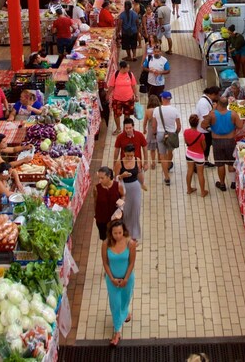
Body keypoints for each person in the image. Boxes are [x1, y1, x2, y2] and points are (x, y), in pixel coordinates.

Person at [102, 219, 137, 347]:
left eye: (120, 232)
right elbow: (105, 263)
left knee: (125, 299)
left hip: (127, 279)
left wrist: (126, 279)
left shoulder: (130, 243)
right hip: (112, 280)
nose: (118, 235)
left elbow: (132, 262)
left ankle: (125, 311)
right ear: (111, 233)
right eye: (115, 233)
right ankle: (117, 331)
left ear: (124, 232)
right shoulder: (106, 244)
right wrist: (111, 278)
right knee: (115, 304)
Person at [202, 96, 242, 191]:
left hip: (217, 141)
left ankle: (222, 184)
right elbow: (240, 125)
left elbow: (203, 125)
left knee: (220, 164)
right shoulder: (233, 114)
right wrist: (233, 127)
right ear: (227, 104)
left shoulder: (212, 114)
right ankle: (233, 182)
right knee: (231, 162)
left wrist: (211, 127)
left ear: (218, 104)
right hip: (230, 141)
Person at [147, 90, 181, 186]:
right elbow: (178, 126)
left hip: (160, 134)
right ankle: (169, 165)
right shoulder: (175, 110)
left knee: (162, 156)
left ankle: (166, 177)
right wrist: (175, 133)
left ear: (162, 99)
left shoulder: (157, 110)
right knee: (170, 152)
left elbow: (154, 125)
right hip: (171, 134)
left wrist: (154, 133)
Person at [115, 146, 143, 241]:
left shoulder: (137, 160)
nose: (130, 157)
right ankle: (125, 233)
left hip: (135, 188)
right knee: (125, 211)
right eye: (128, 155)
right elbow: (115, 178)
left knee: (135, 211)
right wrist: (122, 176)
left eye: (131, 155)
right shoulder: (119, 163)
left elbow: (139, 172)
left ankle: (134, 235)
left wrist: (142, 184)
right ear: (124, 153)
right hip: (124, 188)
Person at [107, 61, 139, 135]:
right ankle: (118, 129)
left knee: (127, 114)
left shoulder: (130, 74)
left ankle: (126, 128)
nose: (129, 69)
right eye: (127, 68)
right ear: (122, 68)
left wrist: (136, 95)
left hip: (129, 99)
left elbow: (134, 86)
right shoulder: (115, 75)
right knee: (116, 114)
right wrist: (107, 95)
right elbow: (111, 86)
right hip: (117, 99)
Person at [94, 168, 125, 241]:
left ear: (108, 177)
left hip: (116, 218)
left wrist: (121, 201)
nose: (100, 180)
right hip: (102, 219)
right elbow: (95, 202)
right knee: (105, 239)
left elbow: (123, 195)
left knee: (117, 238)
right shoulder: (96, 188)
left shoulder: (118, 186)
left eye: (102, 178)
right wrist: (96, 214)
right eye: (99, 178)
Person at [183, 114, 208, 197]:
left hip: (189, 154)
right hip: (199, 156)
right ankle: (202, 192)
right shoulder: (201, 135)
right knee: (200, 173)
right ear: (197, 123)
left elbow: (186, 142)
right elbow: (204, 147)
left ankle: (189, 189)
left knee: (189, 171)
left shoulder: (186, 131)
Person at [195, 86, 220, 166]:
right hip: (203, 129)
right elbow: (206, 117)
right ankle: (199, 162)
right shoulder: (203, 102)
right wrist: (214, 109)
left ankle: (205, 160)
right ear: (212, 94)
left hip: (207, 129)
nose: (218, 97)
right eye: (217, 95)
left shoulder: (207, 100)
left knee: (208, 145)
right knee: (204, 146)